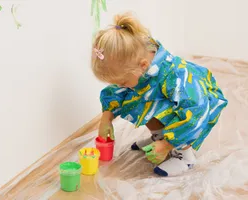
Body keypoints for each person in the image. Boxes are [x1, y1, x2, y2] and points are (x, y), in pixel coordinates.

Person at [91, 12, 228, 176]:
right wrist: (106, 118)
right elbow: (117, 93)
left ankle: (184, 156)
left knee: (169, 108)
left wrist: (168, 145)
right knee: (138, 97)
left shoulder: (175, 78)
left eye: (122, 82)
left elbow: (194, 113)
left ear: (143, 66)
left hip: (199, 106)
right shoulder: (138, 64)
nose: (119, 87)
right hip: (171, 97)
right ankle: (159, 137)